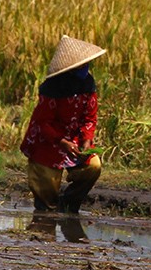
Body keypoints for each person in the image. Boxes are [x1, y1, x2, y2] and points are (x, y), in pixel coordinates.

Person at [20, 35, 106, 213]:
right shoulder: (52, 88)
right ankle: (45, 214)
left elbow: (90, 118)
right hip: (48, 142)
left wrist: (86, 140)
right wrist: (62, 142)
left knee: (93, 166)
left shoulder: (88, 84)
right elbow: (43, 123)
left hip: (74, 139)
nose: (85, 68)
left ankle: (69, 204)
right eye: (81, 66)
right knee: (46, 187)